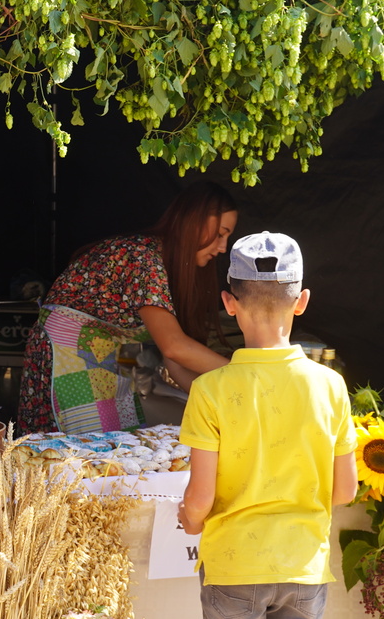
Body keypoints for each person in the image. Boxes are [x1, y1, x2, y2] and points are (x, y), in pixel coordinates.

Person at [177, 232, 358, 619]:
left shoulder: (210, 390)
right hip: (303, 567)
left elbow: (200, 498)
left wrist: (189, 520)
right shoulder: (330, 386)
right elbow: (345, 490)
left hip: (233, 567)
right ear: (301, 302)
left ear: (228, 303)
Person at [16, 182, 238, 434]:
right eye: (220, 234)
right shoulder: (142, 258)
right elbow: (174, 347)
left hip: (110, 363)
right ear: (193, 221)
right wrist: (247, 372)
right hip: (67, 358)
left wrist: (214, 406)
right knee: (82, 454)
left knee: (121, 446)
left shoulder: (164, 265)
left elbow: (173, 361)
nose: (223, 247)